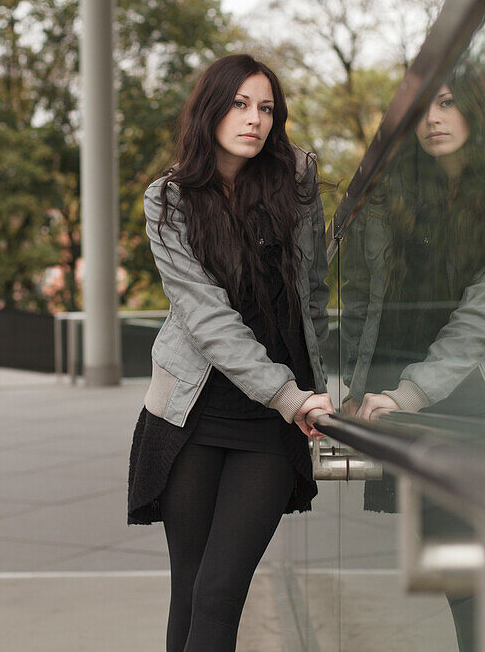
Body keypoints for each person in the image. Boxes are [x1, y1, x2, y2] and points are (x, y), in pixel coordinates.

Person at [127, 53, 335, 652]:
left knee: (220, 591)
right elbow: (206, 317)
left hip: (272, 420)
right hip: (192, 413)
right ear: (210, 110)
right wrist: (287, 392)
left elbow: (312, 292)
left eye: (266, 108)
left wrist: (310, 388)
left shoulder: (294, 183)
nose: (255, 120)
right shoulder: (167, 200)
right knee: (190, 590)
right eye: (240, 104)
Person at [340, 63, 485, 652]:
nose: (434, 119)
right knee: (460, 575)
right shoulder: (381, 196)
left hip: (476, 395)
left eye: (447, 103)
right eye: (421, 107)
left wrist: (410, 392)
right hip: (399, 396)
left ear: (474, 110)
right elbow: (358, 300)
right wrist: (356, 383)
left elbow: (482, 315)